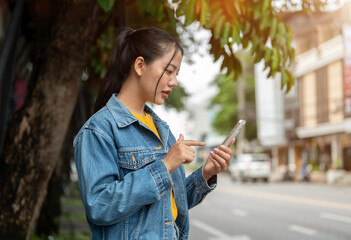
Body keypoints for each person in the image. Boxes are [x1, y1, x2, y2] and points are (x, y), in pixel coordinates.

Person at [73, 27, 234, 240]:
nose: (174, 81)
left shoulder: (161, 129)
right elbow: (100, 206)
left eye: (177, 74)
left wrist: (205, 173)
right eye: (169, 71)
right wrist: (165, 165)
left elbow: (166, 206)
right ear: (140, 65)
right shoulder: (99, 130)